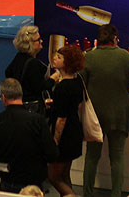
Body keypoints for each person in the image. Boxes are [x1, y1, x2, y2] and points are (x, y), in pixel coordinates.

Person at [81, 24, 129, 197]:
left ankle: (87, 193)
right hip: (119, 116)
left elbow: (81, 82)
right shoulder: (124, 56)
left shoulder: (89, 57)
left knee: (91, 157)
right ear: (115, 39)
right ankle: (116, 194)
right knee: (117, 158)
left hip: (95, 116)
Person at [0, 78, 58, 193]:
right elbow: (52, 154)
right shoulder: (38, 121)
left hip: (9, 182)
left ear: (3, 97)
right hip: (34, 185)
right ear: (21, 95)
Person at [48, 44, 85, 197]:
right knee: (64, 175)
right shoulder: (78, 82)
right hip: (75, 131)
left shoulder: (62, 87)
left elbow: (61, 119)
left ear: (67, 62)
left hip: (65, 136)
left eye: (59, 57)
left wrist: (55, 140)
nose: (55, 59)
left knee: (53, 177)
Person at [5, 25, 48, 109]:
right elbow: (39, 87)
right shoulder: (33, 63)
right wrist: (52, 80)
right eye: (38, 39)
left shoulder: (18, 57)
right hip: (32, 107)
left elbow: (8, 72)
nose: (41, 41)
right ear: (30, 44)